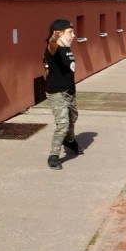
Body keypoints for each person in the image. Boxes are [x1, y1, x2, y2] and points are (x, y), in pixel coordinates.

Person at [43, 19, 80, 170]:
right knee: (63, 124)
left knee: (73, 118)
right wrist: (53, 40)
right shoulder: (54, 49)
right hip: (57, 92)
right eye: (70, 32)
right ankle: (53, 156)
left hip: (70, 91)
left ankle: (69, 140)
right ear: (59, 34)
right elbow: (51, 46)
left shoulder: (67, 47)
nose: (73, 35)